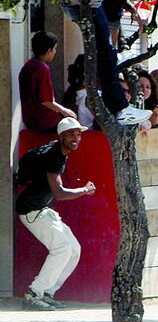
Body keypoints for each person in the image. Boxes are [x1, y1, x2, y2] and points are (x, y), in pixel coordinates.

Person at [58, 0, 158, 126]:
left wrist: (131, 8)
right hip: (81, 1)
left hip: (88, 3)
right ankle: (119, 108)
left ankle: (114, 106)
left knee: (104, 53)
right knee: (107, 53)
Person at [16, 117, 96, 310]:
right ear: (61, 136)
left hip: (41, 208)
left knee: (73, 249)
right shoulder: (54, 156)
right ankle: (34, 294)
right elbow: (59, 193)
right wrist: (84, 190)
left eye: (78, 134)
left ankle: (47, 292)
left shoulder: (58, 150)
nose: (76, 138)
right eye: (71, 134)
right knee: (62, 248)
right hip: (32, 210)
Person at [19, 31, 77, 133]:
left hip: (29, 120)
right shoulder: (42, 69)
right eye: (54, 49)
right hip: (45, 122)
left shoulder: (28, 65)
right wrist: (65, 111)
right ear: (49, 50)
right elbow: (46, 101)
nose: (55, 52)